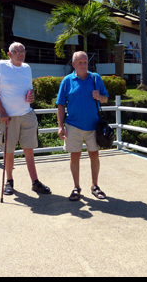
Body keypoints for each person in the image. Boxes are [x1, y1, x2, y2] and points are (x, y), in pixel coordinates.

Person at [0, 42, 51, 196]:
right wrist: (2, 112)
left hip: (27, 114)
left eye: (23, 51)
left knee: (29, 149)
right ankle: (9, 181)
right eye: (17, 51)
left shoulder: (27, 68)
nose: (21, 54)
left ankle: (35, 182)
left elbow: (28, 91)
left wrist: (31, 96)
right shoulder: (0, 66)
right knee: (8, 151)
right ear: (9, 54)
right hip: (8, 116)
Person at [56, 51, 109, 201]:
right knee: (75, 156)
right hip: (73, 126)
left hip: (93, 126)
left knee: (94, 155)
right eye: (80, 62)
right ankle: (76, 187)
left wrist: (99, 97)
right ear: (73, 64)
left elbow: (105, 98)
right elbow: (60, 105)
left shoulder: (95, 78)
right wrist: (60, 126)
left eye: (85, 62)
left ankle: (95, 186)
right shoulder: (67, 81)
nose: (83, 65)